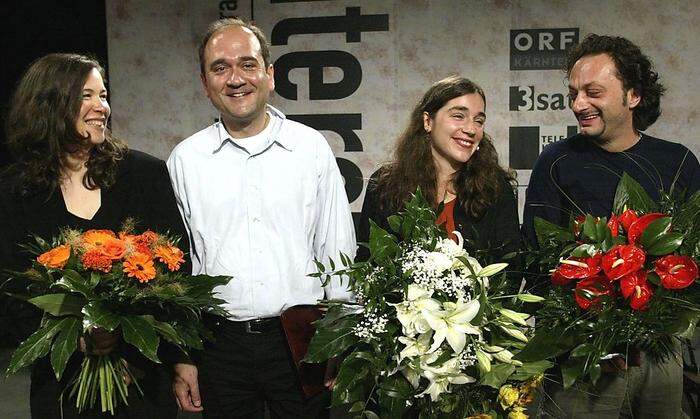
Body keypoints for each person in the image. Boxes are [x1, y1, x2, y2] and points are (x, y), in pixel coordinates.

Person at [167, 18, 355, 418]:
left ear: (269, 74)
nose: (236, 78)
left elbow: (337, 247)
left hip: (301, 340)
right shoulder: (185, 160)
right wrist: (184, 355)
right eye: (220, 67)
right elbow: (178, 268)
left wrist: (340, 337)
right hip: (219, 347)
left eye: (247, 64)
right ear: (205, 83)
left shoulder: (310, 149)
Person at [522, 34, 699, 418]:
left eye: (592, 92)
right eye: (573, 93)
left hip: (659, 355)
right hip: (582, 357)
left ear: (632, 95)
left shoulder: (679, 162)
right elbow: (536, 262)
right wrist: (587, 331)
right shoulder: (555, 162)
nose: (578, 104)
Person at [0, 53, 184, 418]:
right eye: (87, 96)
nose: (102, 107)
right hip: (60, 386)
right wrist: (78, 336)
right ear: (49, 104)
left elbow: (177, 266)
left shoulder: (144, 174)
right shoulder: (14, 191)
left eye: (103, 95)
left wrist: (126, 330)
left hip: (142, 379)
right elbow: (10, 286)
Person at [357, 75, 520, 264]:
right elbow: (368, 263)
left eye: (479, 121)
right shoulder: (386, 185)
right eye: (459, 116)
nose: (471, 129)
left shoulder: (495, 188)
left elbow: (510, 269)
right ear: (428, 121)